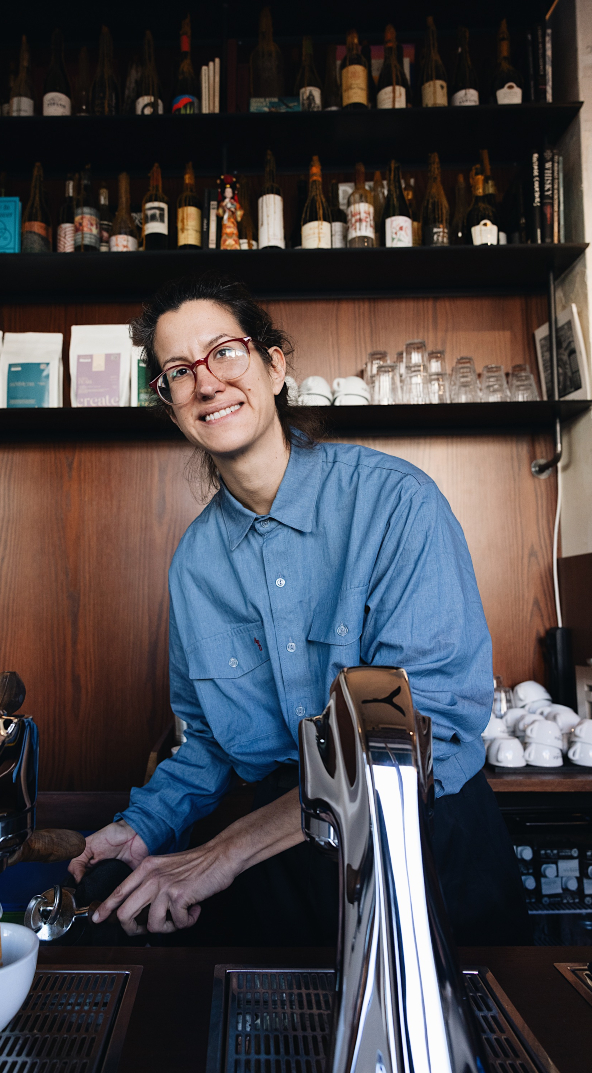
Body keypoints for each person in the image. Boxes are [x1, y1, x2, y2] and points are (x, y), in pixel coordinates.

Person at [68, 274, 530, 948]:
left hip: (425, 843)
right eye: (179, 371)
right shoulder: (195, 564)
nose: (206, 382)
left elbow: (415, 733)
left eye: (224, 352)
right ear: (171, 405)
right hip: (283, 868)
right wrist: (139, 828)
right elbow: (208, 743)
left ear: (275, 366)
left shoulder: (396, 503)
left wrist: (222, 853)